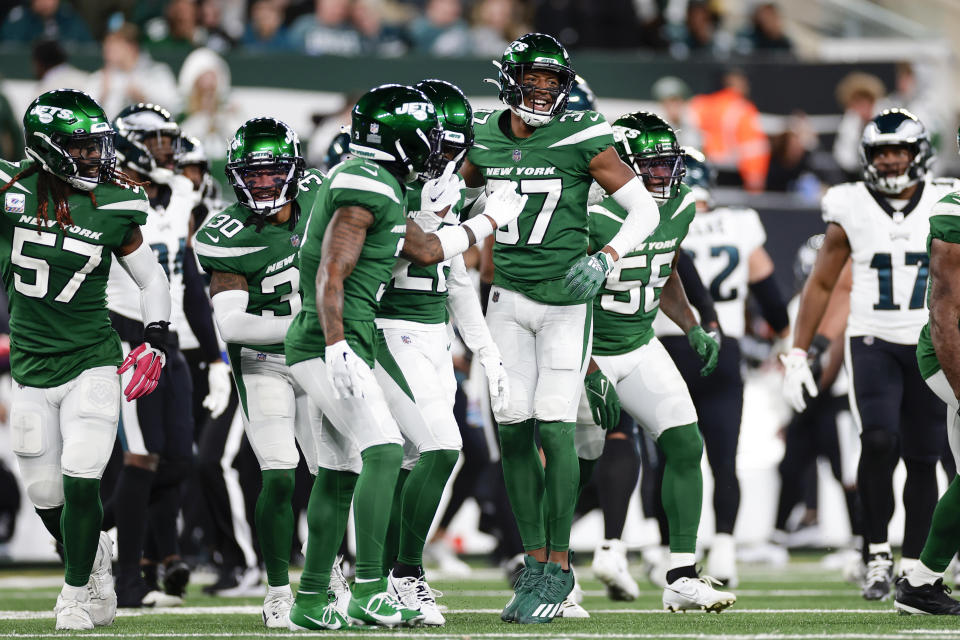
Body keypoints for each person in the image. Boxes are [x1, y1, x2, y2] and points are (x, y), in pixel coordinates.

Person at [282, 83, 526, 630]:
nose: (439, 151)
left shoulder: (378, 180)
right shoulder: (370, 186)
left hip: (342, 334)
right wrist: (338, 342)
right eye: (430, 139)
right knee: (387, 450)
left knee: (340, 473)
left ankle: (311, 599)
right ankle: (373, 586)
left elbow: (428, 252)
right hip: (338, 335)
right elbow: (332, 271)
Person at [457, 32, 662, 624]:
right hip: (508, 300)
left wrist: (608, 257)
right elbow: (454, 191)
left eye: (553, 82)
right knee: (513, 431)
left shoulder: (583, 134)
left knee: (554, 428)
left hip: (566, 305)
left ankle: (560, 567)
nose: (543, 91)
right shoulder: (485, 134)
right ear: (510, 79)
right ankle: (533, 561)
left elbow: (644, 209)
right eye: (534, 80)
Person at [1, 89, 170, 630]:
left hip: (92, 359)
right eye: (82, 147)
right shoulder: (9, 188)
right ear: (49, 149)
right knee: (45, 493)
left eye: (98, 145)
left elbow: (152, 278)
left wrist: (157, 336)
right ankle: (93, 556)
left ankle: (74, 594)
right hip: (28, 365)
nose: (97, 157)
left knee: (81, 476)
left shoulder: (117, 203)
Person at [782, 108, 959, 602]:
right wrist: (799, 352)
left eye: (900, 151)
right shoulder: (849, 204)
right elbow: (822, 281)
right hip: (872, 339)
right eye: (882, 152)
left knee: (924, 458)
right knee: (879, 441)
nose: (891, 160)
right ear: (866, 157)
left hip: (928, 342)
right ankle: (875, 552)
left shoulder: (946, 198)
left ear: (918, 153)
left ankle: (913, 563)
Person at [574, 113, 734, 613]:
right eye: (652, 166)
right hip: (585, 347)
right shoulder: (587, 213)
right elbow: (562, 303)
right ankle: (551, 570)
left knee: (686, 443)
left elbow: (662, 272)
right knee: (572, 467)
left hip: (640, 344)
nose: (664, 176)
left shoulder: (682, 205)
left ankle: (681, 575)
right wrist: (589, 369)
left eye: (669, 165)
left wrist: (691, 326)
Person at [374, 79, 506, 627]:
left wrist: (485, 349)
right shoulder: (386, 186)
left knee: (411, 459)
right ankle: (402, 574)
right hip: (385, 330)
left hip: (432, 337)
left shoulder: (443, 186)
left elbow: (454, 281)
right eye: (440, 144)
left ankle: (384, 577)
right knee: (440, 449)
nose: (448, 157)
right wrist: (471, 223)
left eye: (456, 147)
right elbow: (400, 260)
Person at [195, 117, 325, 627]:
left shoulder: (323, 192)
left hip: (319, 357)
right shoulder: (225, 236)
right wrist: (311, 321)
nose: (264, 184)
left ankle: (328, 573)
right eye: (254, 174)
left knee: (333, 472)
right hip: (265, 362)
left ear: (294, 171)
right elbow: (232, 324)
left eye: (274, 173)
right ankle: (275, 589)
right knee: (277, 474)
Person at [104, 103, 226, 607]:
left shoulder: (178, 196)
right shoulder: (107, 198)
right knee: (140, 457)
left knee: (180, 459)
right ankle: (127, 580)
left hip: (169, 341)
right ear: (131, 143)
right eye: (156, 141)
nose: (167, 151)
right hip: (127, 338)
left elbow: (188, 287)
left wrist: (216, 357)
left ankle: (102, 530)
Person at [652, 147, 789, 587]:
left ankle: (662, 551)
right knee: (723, 458)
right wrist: (785, 334)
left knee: (667, 457)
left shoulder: (657, 219)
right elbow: (768, 291)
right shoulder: (738, 222)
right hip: (721, 345)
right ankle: (725, 550)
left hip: (668, 345)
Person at [896, 134, 960, 615]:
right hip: (948, 353)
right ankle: (919, 583)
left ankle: (921, 582)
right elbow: (945, 315)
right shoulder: (953, 215)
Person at [688, 69, 769, 192]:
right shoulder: (742, 109)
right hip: (731, 175)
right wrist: (755, 178)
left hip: (701, 173)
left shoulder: (699, 104)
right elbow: (753, 148)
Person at [85, 23, 180, 118]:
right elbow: (84, 114)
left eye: (114, 46)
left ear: (131, 47)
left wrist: (143, 99)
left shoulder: (157, 72)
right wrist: (102, 96)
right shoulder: (100, 78)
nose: (107, 52)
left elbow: (175, 108)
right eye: (106, 47)